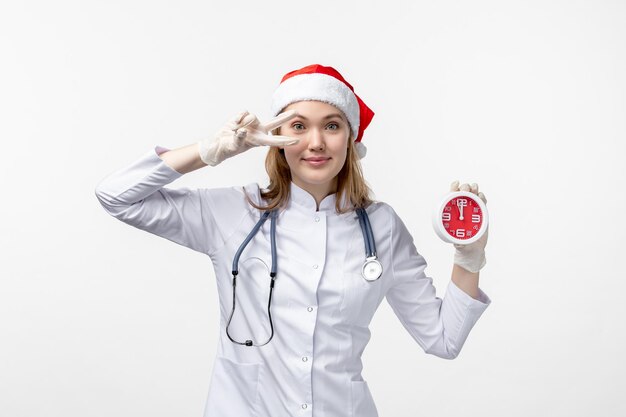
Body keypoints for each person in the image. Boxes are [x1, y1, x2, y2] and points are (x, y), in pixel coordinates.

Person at [94, 64, 491, 417]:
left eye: (332, 125)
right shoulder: (234, 212)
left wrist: (469, 256)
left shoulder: (381, 226)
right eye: (298, 126)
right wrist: (209, 151)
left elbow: (443, 339)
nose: (316, 142)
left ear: (350, 140)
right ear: (276, 137)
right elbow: (115, 195)